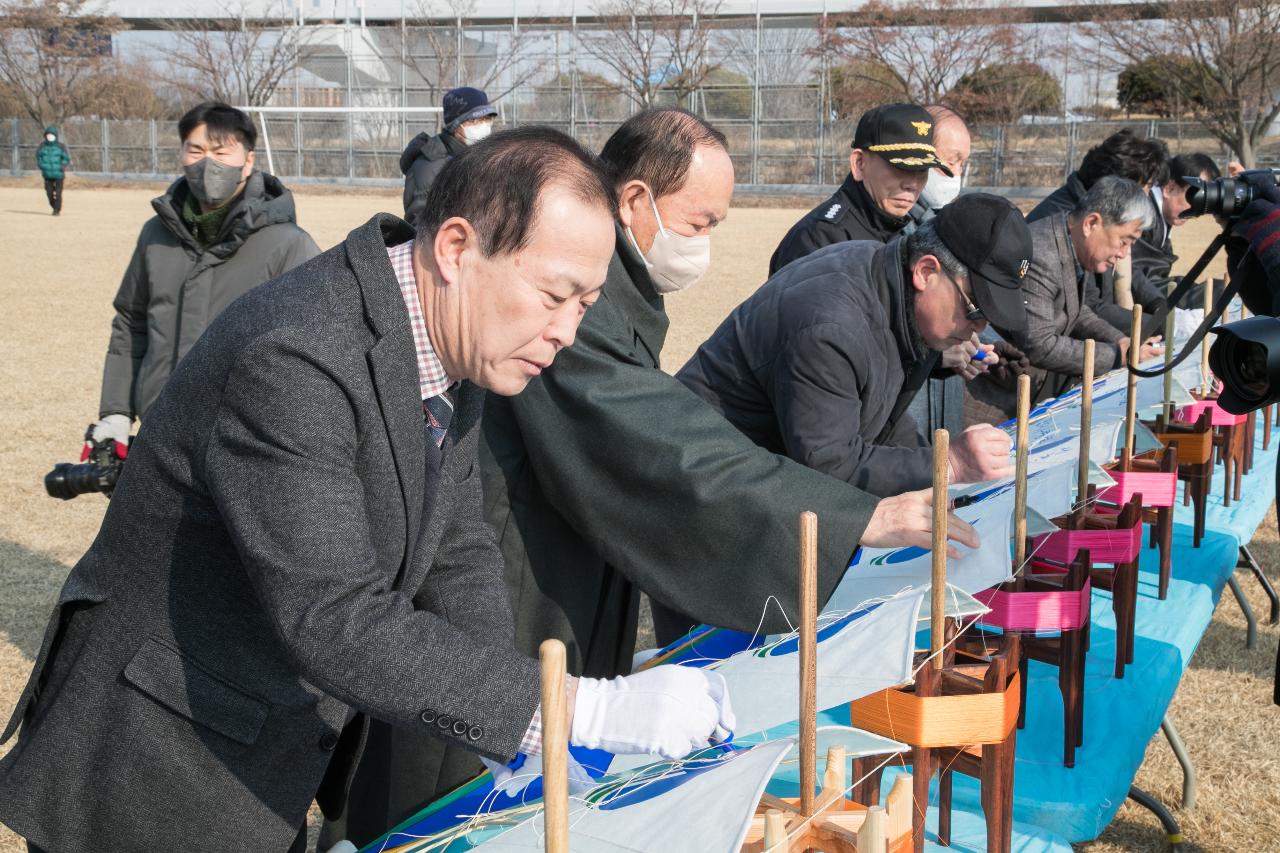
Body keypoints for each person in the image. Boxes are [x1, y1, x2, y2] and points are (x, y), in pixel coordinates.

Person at [0, 127, 734, 853]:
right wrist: (580, 710)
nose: (567, 331)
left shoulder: (455, 334)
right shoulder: (296, 356)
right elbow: (333, 614)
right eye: (553, 295)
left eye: (586, 304)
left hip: (255, 744)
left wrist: (506, 727)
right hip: (153, 764)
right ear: (455, 249)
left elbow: (457, 546)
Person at [482, 107, 978, 675]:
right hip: (531, 570)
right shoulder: (576, 314)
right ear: (635, 201)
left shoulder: (619, 284)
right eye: (699, 225)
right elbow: (672, 447)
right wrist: (855, 518)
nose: (705, 244)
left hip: (587, 548)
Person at [677, 194, 1028, 498]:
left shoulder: (890, 286)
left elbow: (884, 420)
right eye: (975, 308)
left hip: (753, 474)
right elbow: (828, 466)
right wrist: (949, 463)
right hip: (702, 478)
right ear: (925, 270)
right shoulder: (832, 327)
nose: (979, 328)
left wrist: (941, 470)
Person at [87, 102, 319, 456]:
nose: (208, 162)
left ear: (249, 160)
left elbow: (316, 350)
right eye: (196, 150)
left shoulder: (288, 244)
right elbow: (130, 323)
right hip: (159, 428)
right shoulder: (156, 235)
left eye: (222, 151)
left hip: (245, 442)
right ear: (181, 154)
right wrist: (115, 411)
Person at [968, 176, 1165, 422]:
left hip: (1027, 386)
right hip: (995, 400)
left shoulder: (1067, 242)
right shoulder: (1042, 254)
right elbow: (1039, 344)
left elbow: (1077, 311)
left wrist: (1123, 342)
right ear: (1091, 223)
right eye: (1124, 241)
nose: (1124, 253)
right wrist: (1117, 355)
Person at [769, 103, 953, 276]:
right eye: (901, 168)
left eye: (922, 170)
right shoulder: (818, 240)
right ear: (859, 164)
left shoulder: (908, 229)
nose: (912, 184)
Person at [1027, 128, 1170, 337]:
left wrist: (1156, 303)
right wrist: (1155, 325)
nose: (1147, 197)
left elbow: (1130, 268)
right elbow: (1087, 307)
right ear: (1120, 185)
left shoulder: (1107, 215)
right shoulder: (1068, 223)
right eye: (1145, 188)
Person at [400, 86, 498, 228]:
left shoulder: (482, 157)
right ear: (455, 125)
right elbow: (420, 227)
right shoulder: (429, 165)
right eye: (473, 121)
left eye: (486, 119)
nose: (482, 126)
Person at [1133, 152, 1220, 307]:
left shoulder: (1160, 216)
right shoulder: (1142, 215)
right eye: (1195, 197)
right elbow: (1144, 284)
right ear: (1169, 188)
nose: (1198, 210)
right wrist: (1208, 292)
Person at [905, 105, 972, 228]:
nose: (956, 173)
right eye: (951, 162)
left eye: (962, 165)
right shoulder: (896, 217)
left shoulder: (947, 221)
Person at [35, 127, 70, 216]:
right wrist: (41, 165)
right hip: (47, 174)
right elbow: (38, 157)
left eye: (52, 135)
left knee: (58, 194)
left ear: (55, 136)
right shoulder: (42, 147)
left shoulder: (60, 147)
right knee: (49, 193)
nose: (50, 137)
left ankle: (57, 210)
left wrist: (62, 166)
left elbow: (66, 158)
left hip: (59, 174)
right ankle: (54, 206)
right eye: (48, 135)